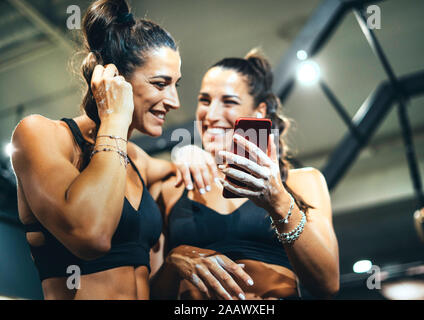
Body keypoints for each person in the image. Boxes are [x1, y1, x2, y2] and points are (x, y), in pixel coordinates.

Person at [10, 0, 181, 299]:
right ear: (117, 79)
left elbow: (175, 170)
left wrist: (190, 154)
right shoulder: (40, 134)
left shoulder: (139, 160)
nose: (174, 100)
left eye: (175, 84)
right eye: (160, 83)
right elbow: (91, 235)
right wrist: (114, 118)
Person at [150, 49, 340, 300]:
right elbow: (149, 294)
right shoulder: (172, 187)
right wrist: (176, 260)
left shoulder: (303, 182)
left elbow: (328, 284)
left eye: (228, 102)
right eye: (205, 100)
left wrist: (278, 202)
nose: (212, 114)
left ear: (259, 112)